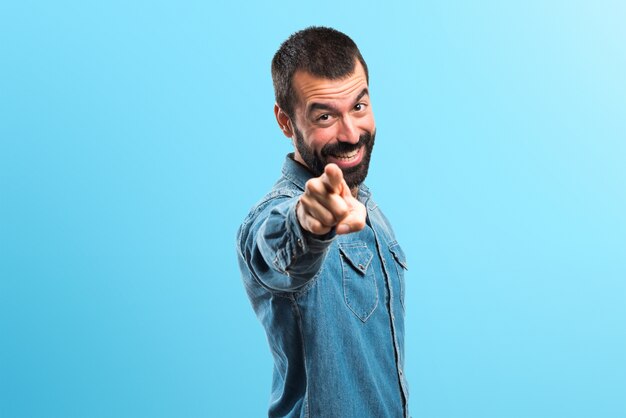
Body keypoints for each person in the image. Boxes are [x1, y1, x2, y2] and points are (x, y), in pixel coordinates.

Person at [236, 26, 409, 418]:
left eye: (359, 107)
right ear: (285, 122)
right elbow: (279, 248)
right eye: (326, 116)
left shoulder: (368, 208)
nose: (351, 134)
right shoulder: (274, 214)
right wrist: (309, 225)